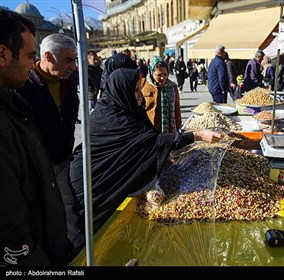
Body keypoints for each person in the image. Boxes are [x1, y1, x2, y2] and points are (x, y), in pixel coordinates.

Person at [69, 68, 222, 234]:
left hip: (102, 181)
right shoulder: (113, 117)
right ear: (122, 91)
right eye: (135, 90)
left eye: (139, 89)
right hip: (92, 183)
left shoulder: (126, 108)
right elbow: (154, 141)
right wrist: (197, 135)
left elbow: (152, 137)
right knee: (90, 229)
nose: (140, 95)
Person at [0, 8, 73, 266]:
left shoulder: (12, 101)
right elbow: (10, 220)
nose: (33, 65)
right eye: (30, 56)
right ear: (2, 54)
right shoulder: (17, 100)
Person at [16, 33, 83, 251]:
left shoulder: (69, 81)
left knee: (66, 206)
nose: (73, 66)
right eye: (68, 60)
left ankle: (75, 250)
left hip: (62, 157)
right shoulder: (22, 84)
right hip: (35, 165)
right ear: (48, 57)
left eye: (75, 59)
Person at [143, 56, 182, 132]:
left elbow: (177, 109)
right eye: (159, 75)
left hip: (170, 133)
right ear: (151, 73)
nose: (162, 78)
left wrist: (178, 127)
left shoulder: (172, 87)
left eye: (165, 74)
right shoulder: (143, 86)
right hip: (149, 131)